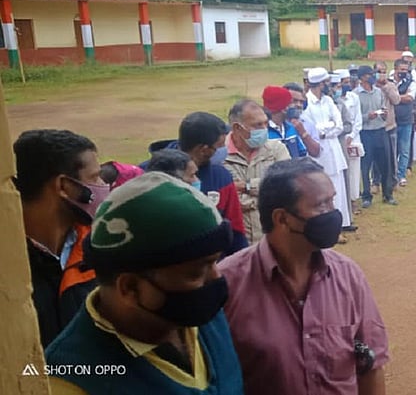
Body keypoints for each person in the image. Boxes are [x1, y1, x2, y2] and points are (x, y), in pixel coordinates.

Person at [45, 172, 243, 395]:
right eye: (197, 272)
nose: (216, 278)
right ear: (130, 287)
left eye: (215, 262)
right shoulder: (70, 382)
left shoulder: (200, 314)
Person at [219, 158, 389, 395]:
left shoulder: (348, 276)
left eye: (332, 201)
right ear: (282, 219)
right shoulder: (228, 284)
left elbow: (371, 365)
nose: (333, 213)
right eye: (321, 205)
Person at [14, 130, 103, 348]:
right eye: (94, 178)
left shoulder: (101, 247)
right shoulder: (9, 263)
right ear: (63, 186)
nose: (103, 185)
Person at [177, 112, 249, 257]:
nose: (225, 150)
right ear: (203, 149)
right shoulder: (154, 174)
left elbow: (236, 230)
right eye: (220, 146)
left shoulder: (221, 177)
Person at [222, 99, 291, 244]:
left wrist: (245, 186)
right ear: (237, 128)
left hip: (272, 240)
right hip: (237, 242)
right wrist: (265, 196)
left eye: (265, 123)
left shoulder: (276, 149)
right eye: (257, 125)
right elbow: (227, 200)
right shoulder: (220, 156)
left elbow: (286, 185)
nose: (264, 129)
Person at [304, 67, 353, 235]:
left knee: (338, 188)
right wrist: (326, 129)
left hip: (334, 149)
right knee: (322, 190)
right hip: (319, 153)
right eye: (327, 82)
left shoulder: (329, 101)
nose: (330, 85)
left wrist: (325, 130)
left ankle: (340, 225)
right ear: (320, 84)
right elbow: (311, 130)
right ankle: (327, 228)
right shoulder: (307, 103)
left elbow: (339, 125)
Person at [356, 65, 398, 207]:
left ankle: (388, 194)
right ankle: (366, 196)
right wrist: (368, 116)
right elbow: (355, 118)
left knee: (385, 164)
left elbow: (383, 108)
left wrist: (384, 113)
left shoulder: (378, 92)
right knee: (366, 166)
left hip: (380, 131)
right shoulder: (355, 95)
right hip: (366, 133)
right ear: (362, 77)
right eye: (369, 75)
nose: (373, 77)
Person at [336, 69, 364, 210]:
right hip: (338, 140)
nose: (347, 84)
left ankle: (353, 200)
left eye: (348, 82)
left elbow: (358, 120)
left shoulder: (354, 97)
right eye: (344, 82)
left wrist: (351, 136)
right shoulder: (333, 101)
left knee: (354, 171)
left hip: (353, 138)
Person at [373, 60, 400, 191]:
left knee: (391, 157)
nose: (381, 75)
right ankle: (376, 182)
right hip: (375, 127)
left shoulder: (390, 85)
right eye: (379, 72)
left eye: (384, 72)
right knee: (375, 158)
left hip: (389, 126)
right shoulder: (371, 87)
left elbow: (396, 100)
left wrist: (386, 88)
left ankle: (393, 181)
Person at [390, 59, 416, 187]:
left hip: (406, 120)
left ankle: (401, 175)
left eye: (406, 70)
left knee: (405, 150)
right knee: (393, 151)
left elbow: (410, 97)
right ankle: (392, 175)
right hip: (392, 121)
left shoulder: (411, 82)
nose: (404, 72)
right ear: (395, 69)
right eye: (402, 70)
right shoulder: (389, 82)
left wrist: (395, 97)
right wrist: (402, 96)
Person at [264, 86, 308, 158]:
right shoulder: (264, 132)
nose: (298, 106)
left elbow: (302, 153)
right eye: (292, 102)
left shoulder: (291, 128)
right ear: (283, 108)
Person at [283, 82, 323, 159]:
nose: (298, 105)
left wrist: (303, 133)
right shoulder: (274, 123)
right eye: (294, 101)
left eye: (301, 102)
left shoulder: (307, 121)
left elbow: (316, 152)